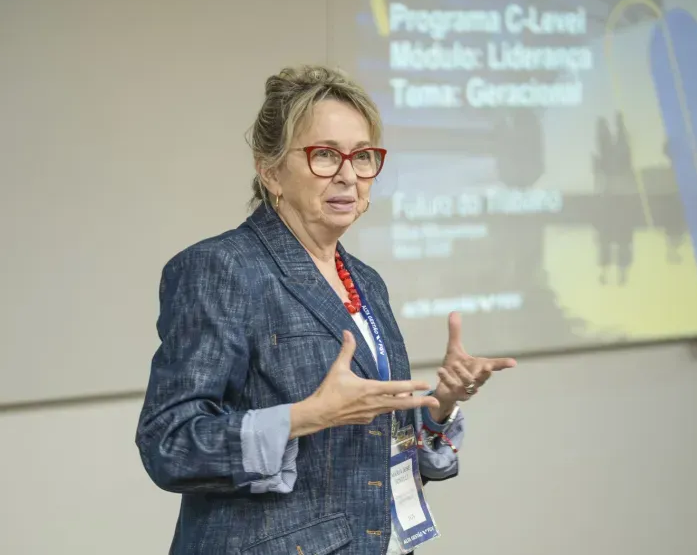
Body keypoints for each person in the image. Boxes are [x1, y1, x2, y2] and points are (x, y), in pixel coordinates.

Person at [135, 65, 516, 554]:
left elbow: (364, 448)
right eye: (325, 155)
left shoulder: (365, 280)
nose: (348, 175)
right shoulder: (223, 267)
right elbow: (169, 443)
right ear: (270, 170)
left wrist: (439, 403)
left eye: (362, 156)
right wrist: (304, 417)